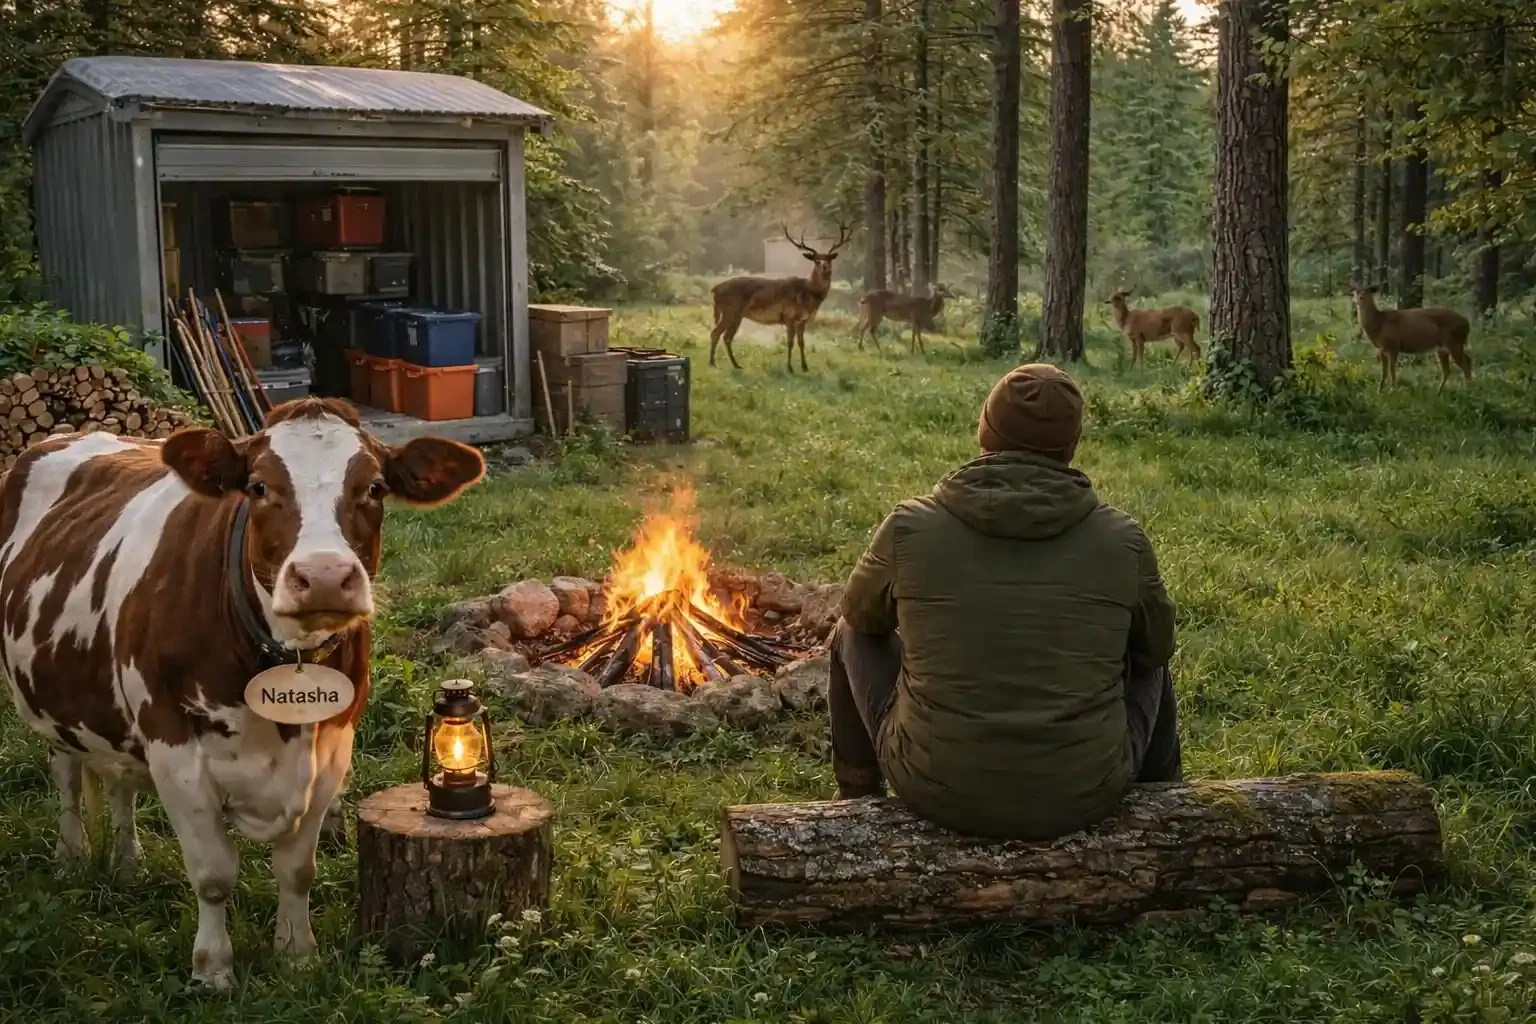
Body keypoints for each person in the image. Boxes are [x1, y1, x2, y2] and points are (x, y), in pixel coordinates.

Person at [829, 363, 1181, 839]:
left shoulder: (911, 526)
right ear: (1071, 446)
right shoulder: (1122, 540)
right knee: (1150, 654)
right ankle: (1166, 806)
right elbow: (1156, 649)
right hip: (1085, 791)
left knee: (849, 633)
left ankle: (856, 795)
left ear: (985, 433)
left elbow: (859, 615)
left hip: (934, 786)